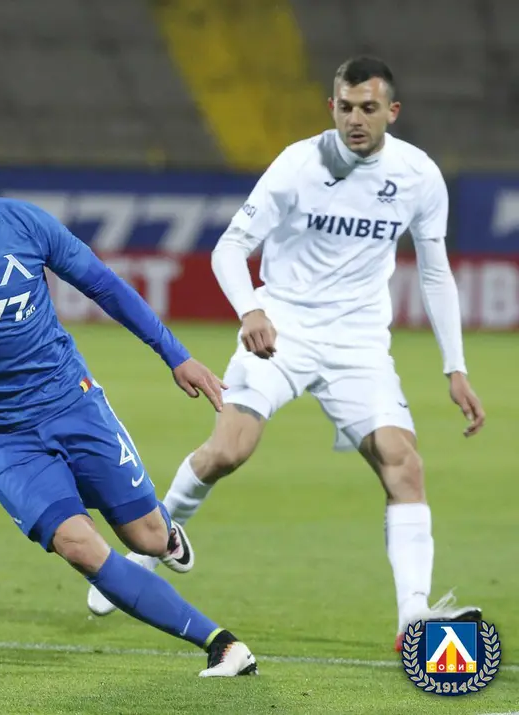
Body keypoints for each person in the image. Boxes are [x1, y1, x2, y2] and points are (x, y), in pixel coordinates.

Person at [85, 57, 485, 652]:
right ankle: (150, 548)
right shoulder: (299, 165)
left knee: (404, 464)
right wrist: (251, 310)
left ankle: (413, 618)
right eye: (345, 107)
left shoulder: (419, 176)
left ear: (392, 112)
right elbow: (230, 247)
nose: (355, 119)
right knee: (228, 450)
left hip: (358, 344)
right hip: (283, 327)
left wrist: (456, 367)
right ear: (332, 107)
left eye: (368, 108)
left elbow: (435, 273)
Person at [0, 132, 257, 677]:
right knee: (77, 545)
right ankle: (221, 644)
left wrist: (176, 356)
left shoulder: (29, 226)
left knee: (145, 537)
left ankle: (164, 535)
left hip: (72, 403)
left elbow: (105, 287)